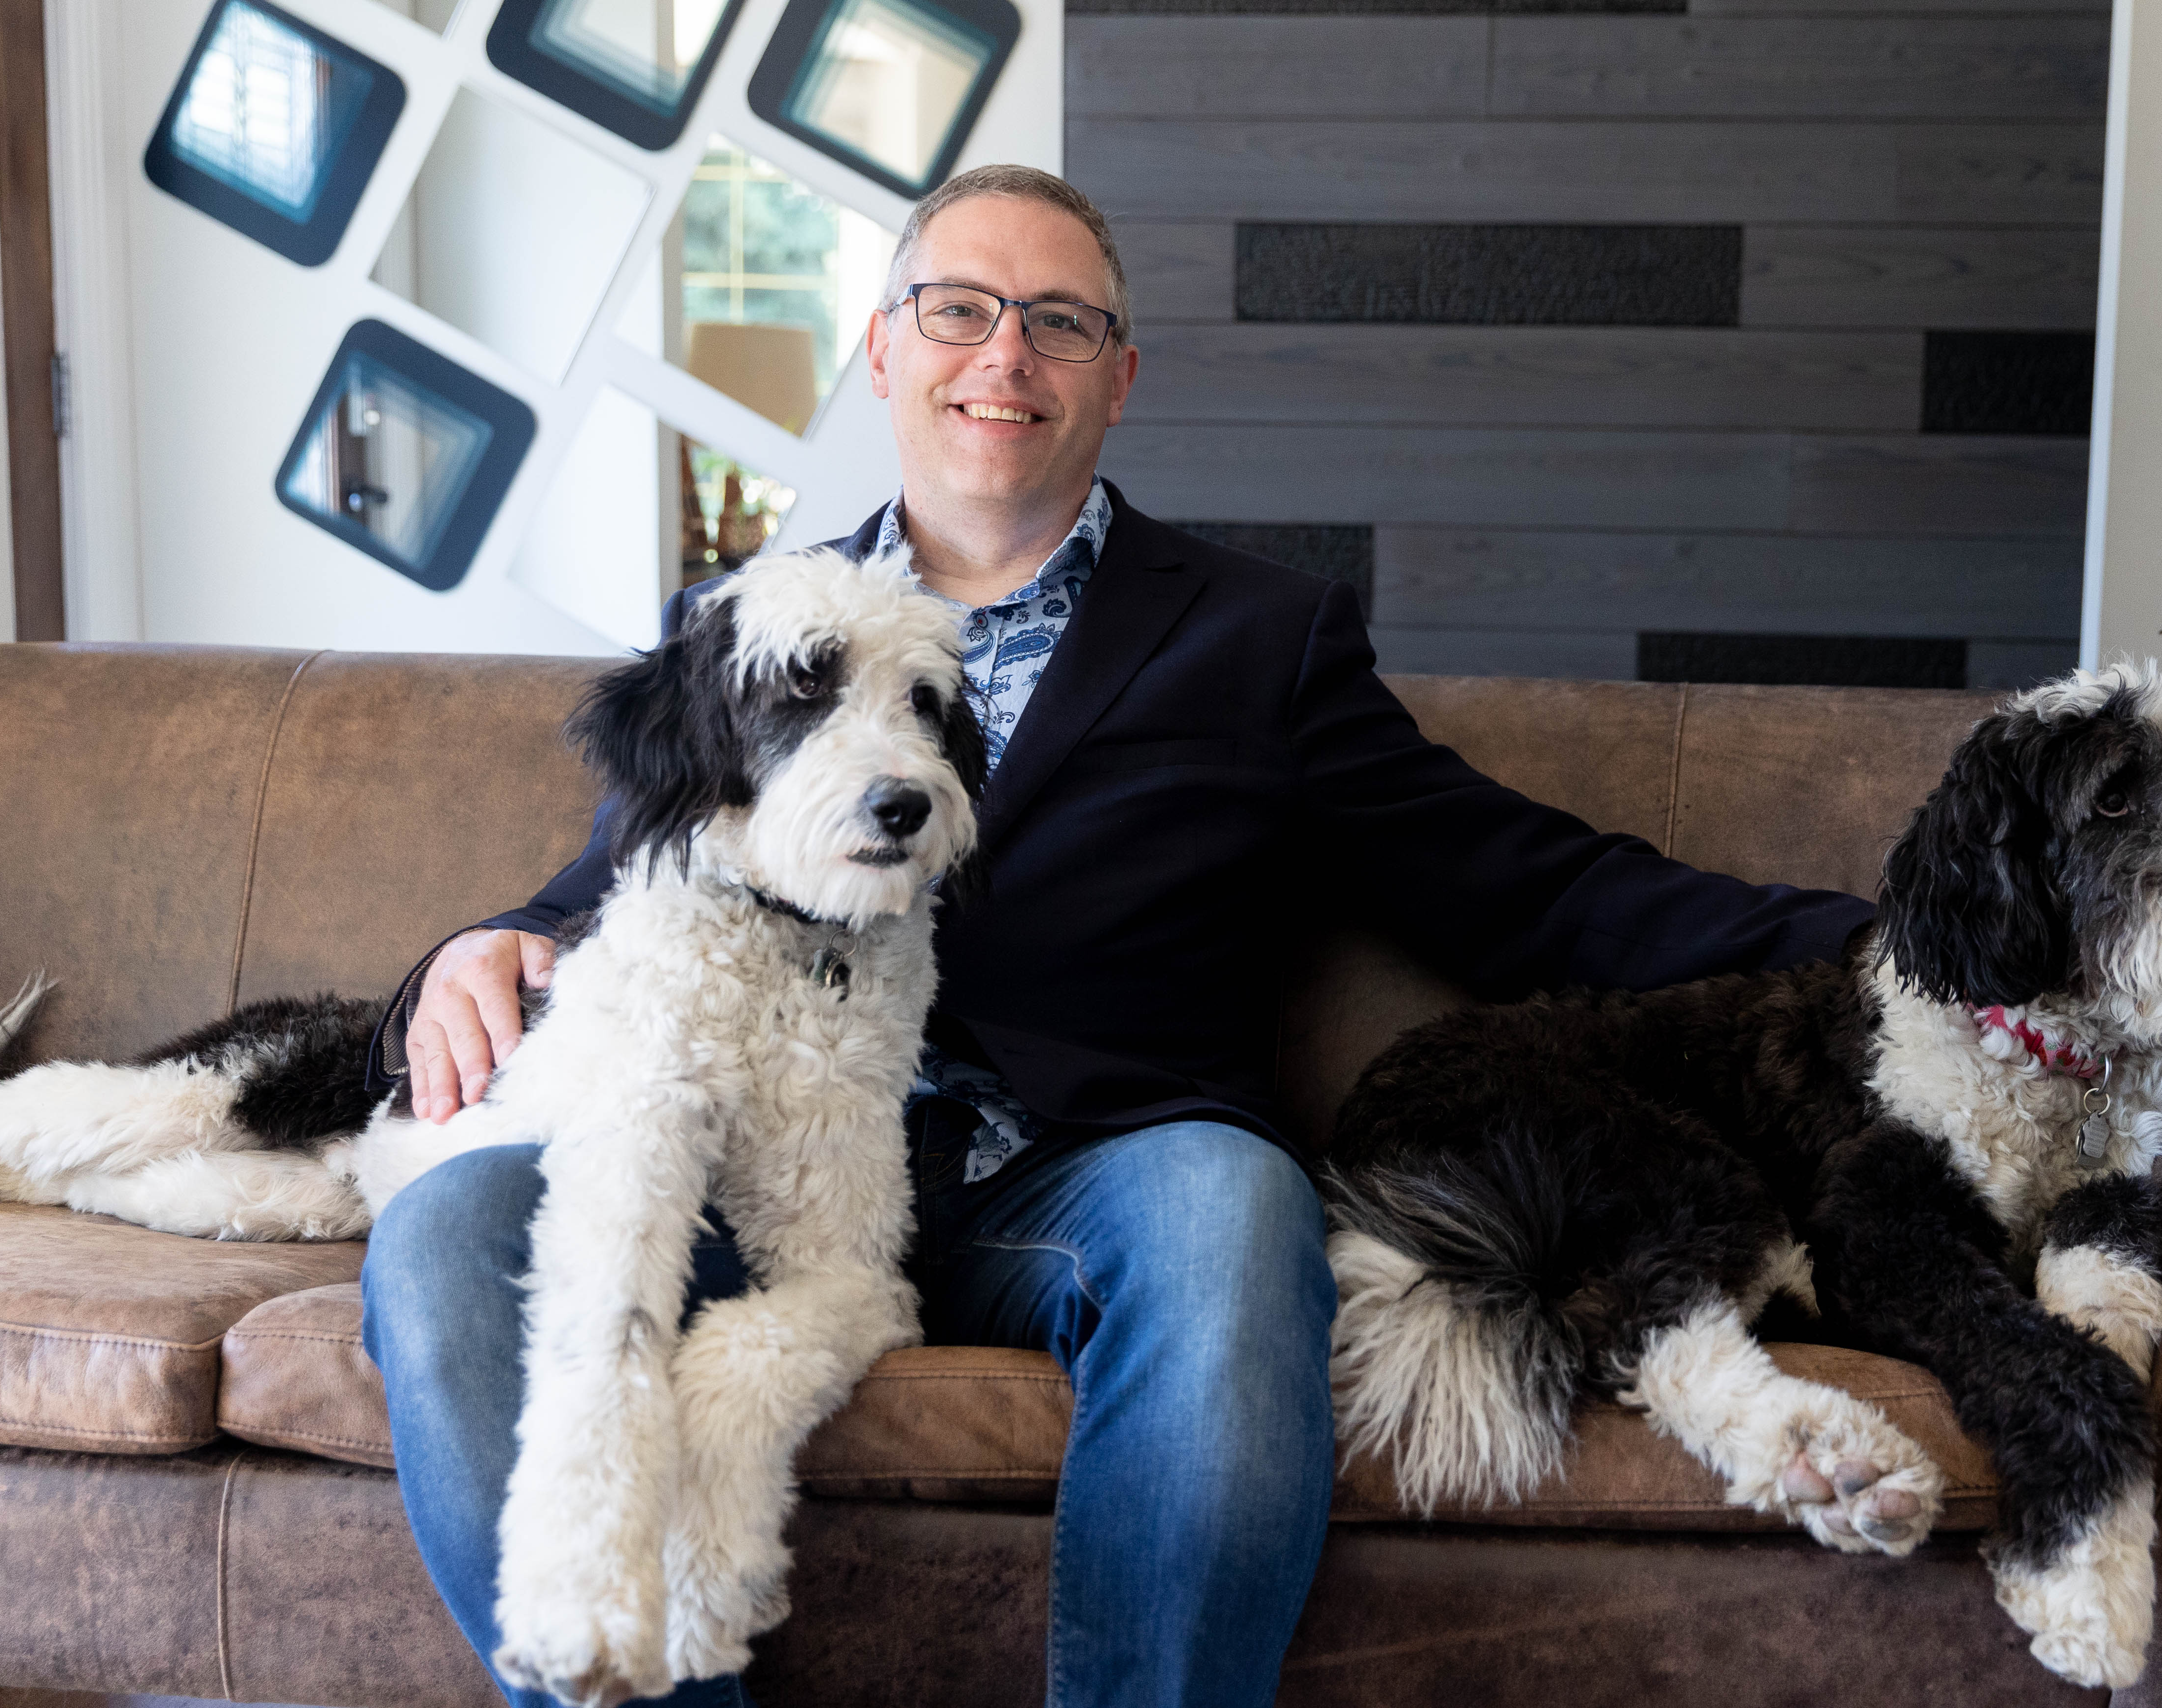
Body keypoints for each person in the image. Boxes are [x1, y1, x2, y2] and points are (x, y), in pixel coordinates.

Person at [356, 164, 1873, 1708]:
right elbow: (625, 873)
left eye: (1058, 322)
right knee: (445, 1230)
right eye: (960, 310)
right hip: (766, 1173)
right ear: (882, 348)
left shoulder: (1257, 637)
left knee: (1234, 1203)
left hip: (1078, 1178)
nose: (1003, 355)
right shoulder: (749, 617)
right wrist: (479, 946)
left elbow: (1524, 884)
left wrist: (1901, 950)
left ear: (1119, 376)